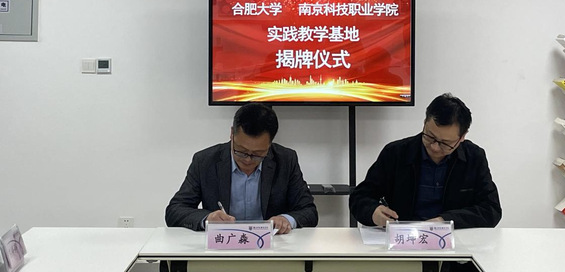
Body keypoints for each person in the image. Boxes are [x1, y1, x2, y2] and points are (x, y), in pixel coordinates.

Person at [349, 93, 501, 229]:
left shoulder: (474, 157)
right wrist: (373, 212)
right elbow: (360, 197)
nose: (435, 147)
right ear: (425, 122)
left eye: (445, 143)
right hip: (403, 239)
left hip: (454, 242)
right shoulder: (396, 153)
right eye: (430, 136)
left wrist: (445, 221)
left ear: (462, 137)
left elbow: (491, 209)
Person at [166, 103, 318, 234]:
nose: (248, 160)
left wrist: (286, 220)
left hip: (271, 246)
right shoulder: (205, 161)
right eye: (241, 151)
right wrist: (207, 219)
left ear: (270, 144)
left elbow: (309, 211)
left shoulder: (286, 160)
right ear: (232, 134)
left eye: (258, 154)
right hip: (223, 245)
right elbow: (175, 210)